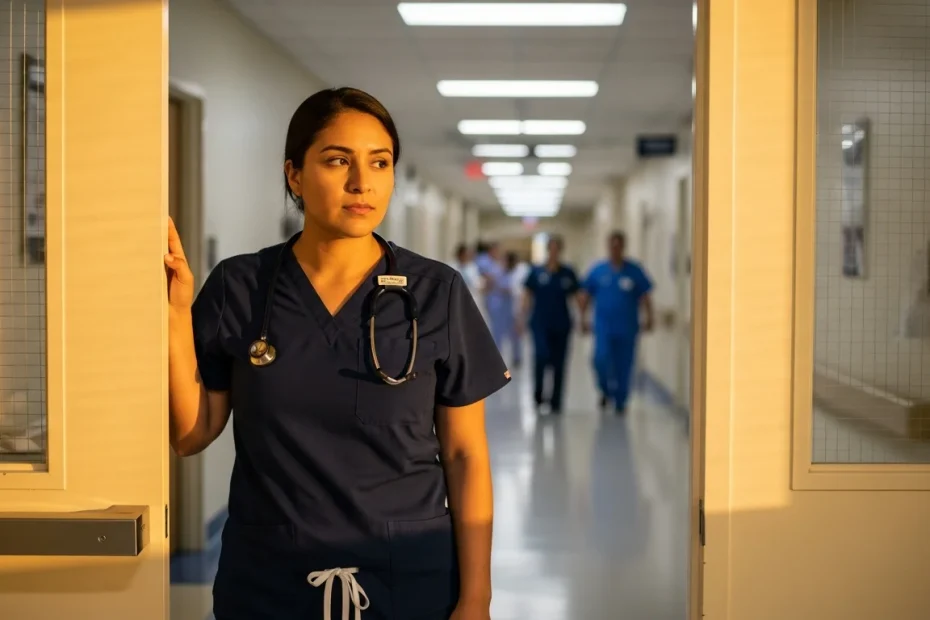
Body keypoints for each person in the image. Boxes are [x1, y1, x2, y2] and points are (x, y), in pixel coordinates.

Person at [165, 87, 510, 620]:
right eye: (337, 160)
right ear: (294, 175)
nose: (362, 182)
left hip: (407, 579)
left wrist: (477, 597)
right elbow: (191, 434)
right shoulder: (240, 286)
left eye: (380, 162)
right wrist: (173, 315)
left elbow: (465, 455)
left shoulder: (435, 292)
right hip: (269, 579)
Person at [578, 231, 654, 415]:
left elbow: (645, 296)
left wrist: (650, 318)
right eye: (612, 246)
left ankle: (621, 401)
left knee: (624, 365)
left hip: (627, 327)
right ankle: (605, 390)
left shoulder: (634, 271)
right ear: (608, 247)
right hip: (603, 327)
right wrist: (582, 319)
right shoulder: (598, 270)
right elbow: (585, 296)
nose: (615, 249)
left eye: (618, 246)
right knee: (600, 360)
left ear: (623, 247)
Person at [520, 236, 580, 414]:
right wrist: (521, 318)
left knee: (559, 363)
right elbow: (527, 295)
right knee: (541, 356)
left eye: (556, 249)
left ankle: (556, 400)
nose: (553, 252)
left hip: (561, 324)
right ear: (547, 250)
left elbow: (577, 296)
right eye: (551, 249)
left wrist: (584, 316)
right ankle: (538, 395)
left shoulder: (567, 273)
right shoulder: (536, 272)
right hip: (540, 323)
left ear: (560, 250)